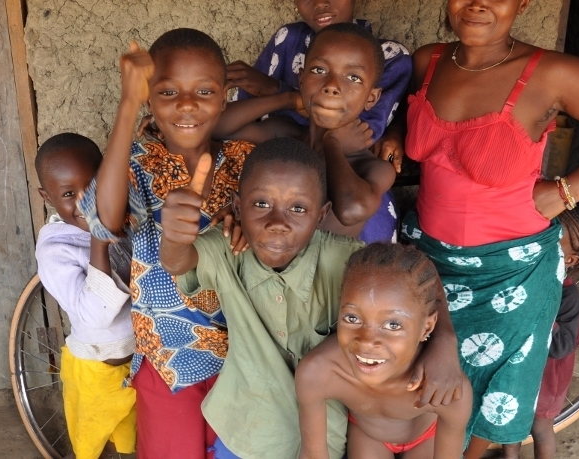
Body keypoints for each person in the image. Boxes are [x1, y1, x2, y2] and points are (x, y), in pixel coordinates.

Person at [401, 0, 579, 457]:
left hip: (512, 273)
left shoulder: (549, 74)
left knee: (493, 395)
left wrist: (567, 192)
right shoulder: (429, 62)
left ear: (525, 0)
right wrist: (396, 138)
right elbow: (403, 123)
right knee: (418, 392)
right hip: (428, 262)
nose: (477, 3)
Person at [158, 137, 460, 459]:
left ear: (321, 215)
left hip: (326, 435)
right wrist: (174, 237)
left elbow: (416, 274)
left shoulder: (344, 260)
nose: (277, 223)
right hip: (247, 430)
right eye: (261, 204)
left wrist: (444, 341)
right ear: (237, 206)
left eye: (298, 208)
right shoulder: (227, 248)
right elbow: (178, 262)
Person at [76, 28, 253, 459]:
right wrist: (126, 104)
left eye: (204, 91)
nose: (187, 104)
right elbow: (104, 222)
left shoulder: (246, 162)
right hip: (168, 360)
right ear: (149, 101)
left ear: (225, 98)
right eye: (168, 91)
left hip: (245, 356)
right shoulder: (138, 163)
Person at [223, 0, 412, 242]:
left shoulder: (388, 56)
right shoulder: (287, 40)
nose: (321, 2)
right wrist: (287, 98)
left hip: (349, 183)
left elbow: (358, 132)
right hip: (282, 178)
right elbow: (236, 120)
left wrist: (275, 90)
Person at [215, 23, 397, 241]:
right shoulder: (285, 134)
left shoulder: (373, 168)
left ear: (371, 98)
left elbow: (351, 210)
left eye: (353, 78)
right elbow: (216, 127)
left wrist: (332, 145)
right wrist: (289, 99)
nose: (332, 86)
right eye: (319, 70)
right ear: (301, 79)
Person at [296, 243, 472, 459]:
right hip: (369, 435)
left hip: (428, 436)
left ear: (426, 328)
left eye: (393, 325)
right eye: (352, 318)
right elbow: (312, 454)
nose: (367, 342)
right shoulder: (317, 372)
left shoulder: (445, 388)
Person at [34, 132, 135, 459]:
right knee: (93, 447)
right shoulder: (55, 252)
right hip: (95, 372)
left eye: (93, 186)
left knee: (131, 443)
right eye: (68, 194)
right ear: (47, 197)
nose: (85, 202)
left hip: (137, 363)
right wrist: (98, 242)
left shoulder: (123, 221)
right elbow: (95, 314)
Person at [501, 202, 579, 459]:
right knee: (511, 425)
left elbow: (563, 345)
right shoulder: (527, 283)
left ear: (570, 259)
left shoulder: (569, 297)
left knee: (541, 429)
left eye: (551, 245)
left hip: (547, 379)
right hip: (520, 374)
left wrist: (539, 314)